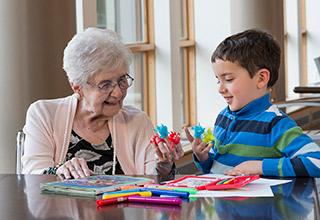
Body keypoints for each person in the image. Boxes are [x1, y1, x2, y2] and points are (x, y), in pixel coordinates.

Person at [22, 27, 184, 179]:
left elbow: (157, 183)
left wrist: (164, 165)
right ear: (78, 87)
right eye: (105, 85)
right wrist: (58, 170)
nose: (119, 92)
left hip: (129, 209)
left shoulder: (138, 121)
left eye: (122, 80)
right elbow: (32, 176)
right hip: (61, 209)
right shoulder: (44, 114)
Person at [185, 29, 320, 177]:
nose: (220, 89)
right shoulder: (222, 117)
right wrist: (202, 157)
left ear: (261, 79)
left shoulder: (275, 124)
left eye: (228, 79)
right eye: (218, 80)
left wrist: (260, 166)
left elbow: (316, 161)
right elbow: (215, 169)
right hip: (221, 199)